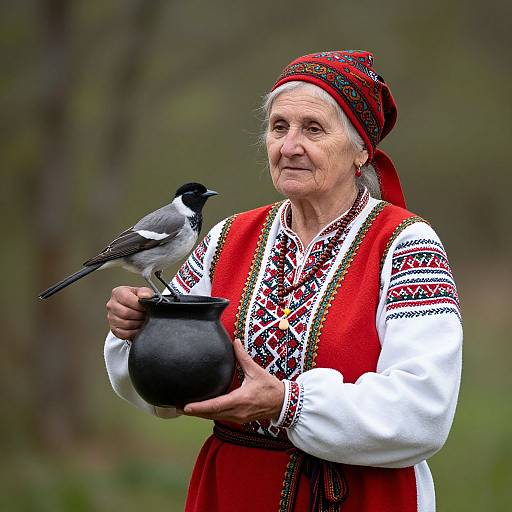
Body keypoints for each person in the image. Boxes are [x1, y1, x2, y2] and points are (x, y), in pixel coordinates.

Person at [104, 50, 462, 512]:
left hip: (358, 497)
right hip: (232, 491)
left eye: (312, 129)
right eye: (278, 127)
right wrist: (137, 329)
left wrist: (290, 404)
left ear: (360, 150)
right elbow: (168, 374)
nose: (289, 146)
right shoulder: (228, 238)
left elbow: (423, 411)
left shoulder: (407, 244)